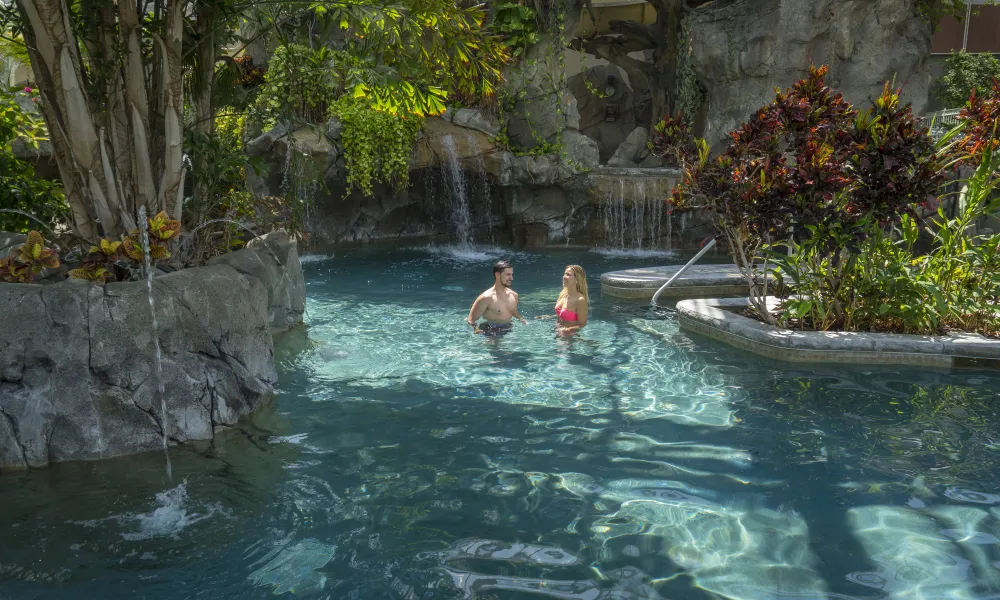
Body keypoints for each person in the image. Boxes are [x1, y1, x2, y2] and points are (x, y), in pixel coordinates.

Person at [467, 260, 527, 336]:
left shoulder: (514, 295)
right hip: (491, 331)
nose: (511, 278)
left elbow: (513, 312)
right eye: (508, 274)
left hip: (509, 327)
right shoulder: (486, 298)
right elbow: (471, 319)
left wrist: (520, 318)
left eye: (512, 274)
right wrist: (476, 329)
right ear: (497, 275)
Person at [542, 264, 589, 336]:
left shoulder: (580, 300)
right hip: (556, 329)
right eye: (564, 274)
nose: (564, 277)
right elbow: (561, 314)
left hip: (568, 336)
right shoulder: (563, 293)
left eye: (568, 275)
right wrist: (550, 317)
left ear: (577, 279)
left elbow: (582, 324)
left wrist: (568, 329)